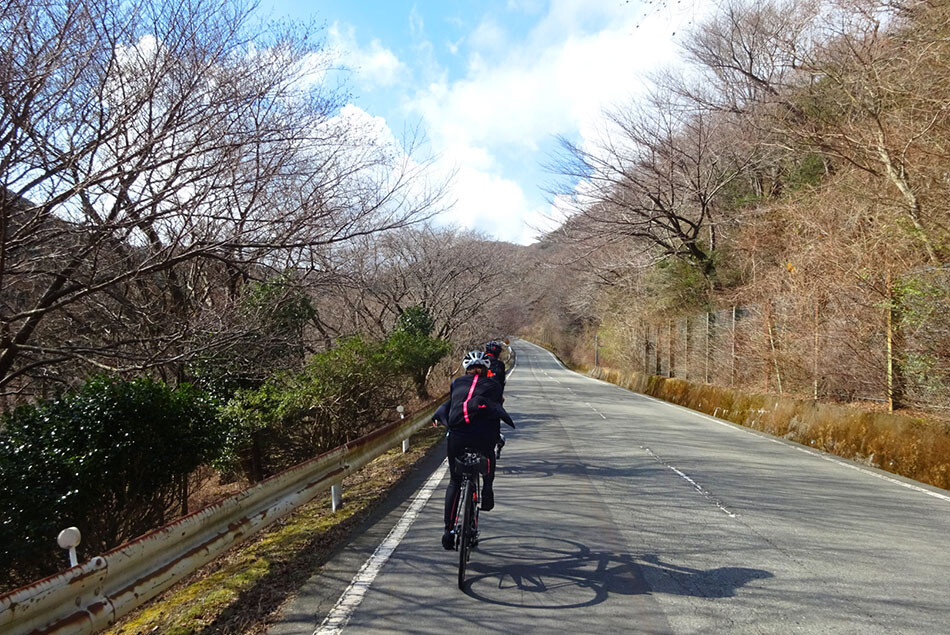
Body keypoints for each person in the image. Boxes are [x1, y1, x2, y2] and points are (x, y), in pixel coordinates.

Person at [433, 350, 514, 550]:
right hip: (483, 437)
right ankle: (487, 489)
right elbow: (497, 408)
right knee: (488, 452)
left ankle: (448, 530)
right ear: (486, 370)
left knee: (455, 480)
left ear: (466, 369)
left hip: (458, 436)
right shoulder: (493, 385)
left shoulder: (456, 384)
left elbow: (454, 404)